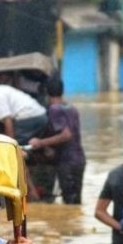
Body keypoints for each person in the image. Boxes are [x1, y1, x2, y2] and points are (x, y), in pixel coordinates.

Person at [28, 77, 87, 205]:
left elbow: (66, 135)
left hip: (67, 162)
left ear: (46, 92)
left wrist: (41, 143)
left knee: (70, 202)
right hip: (79, 159)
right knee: (75, 202)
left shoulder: (54, 109)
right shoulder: (71, 108)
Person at [0, 76, 48, 145]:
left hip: (32, 117)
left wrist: (9, 144)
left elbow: (7, 120)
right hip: (38, 116)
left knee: (15, 142)